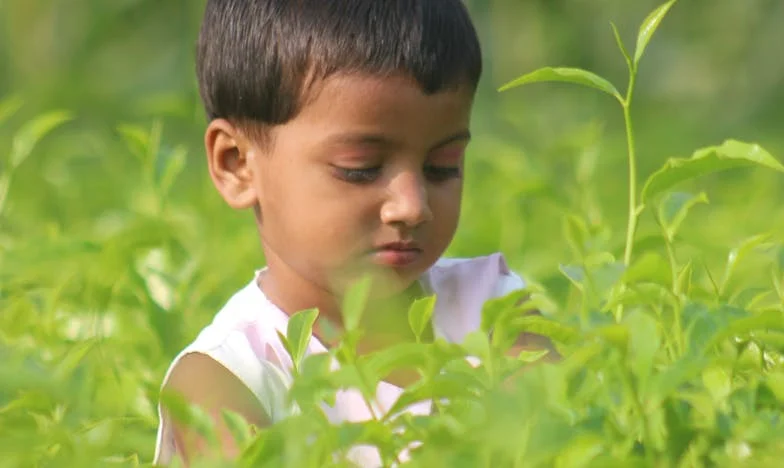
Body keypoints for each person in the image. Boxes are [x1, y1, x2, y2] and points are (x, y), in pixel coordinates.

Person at [154, 0, 555, 466]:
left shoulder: (493, 314)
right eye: (360, 169)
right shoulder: (225, 381)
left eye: (441, 168)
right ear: (237, 164)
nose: (412, 206)